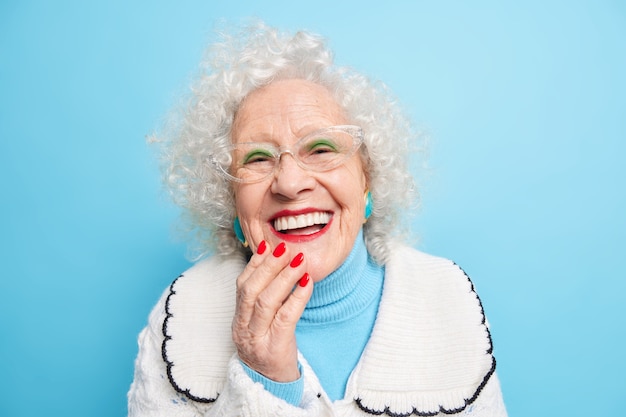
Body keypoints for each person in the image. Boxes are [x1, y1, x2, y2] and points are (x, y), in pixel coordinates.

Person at [128, 22, 507, 417]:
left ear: (367, 183)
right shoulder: (184, 313)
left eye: (321, 148)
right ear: (232, 204)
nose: (290, 183)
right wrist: (265, 381)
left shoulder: (445, 298)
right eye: (257, 158)